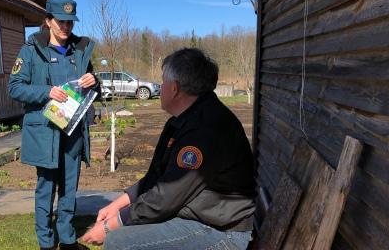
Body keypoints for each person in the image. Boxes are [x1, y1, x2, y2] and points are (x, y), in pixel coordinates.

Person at [81, 48, 257, 249]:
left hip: (224, 231)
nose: (160, 86)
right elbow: (157, 176)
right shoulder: (182, 121)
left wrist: (109, 226)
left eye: (163, 81)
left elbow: (166, 197)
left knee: (118, 241)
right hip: (201, 217)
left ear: (174, 88)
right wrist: (118, 204)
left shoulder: (205, 129)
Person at [8, 0, 98, 250]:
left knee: (69, 188)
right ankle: (46, 243)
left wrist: (95, 81)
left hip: (73, 132)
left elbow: (91, 88)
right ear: (48, 21)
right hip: (45, 133)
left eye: (70, 22)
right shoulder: (30, 51)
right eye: (61, 21)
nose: (66, 27)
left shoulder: (80, 52)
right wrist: (46, 92)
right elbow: (15, 88)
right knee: (45, 190)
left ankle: (68, 240)